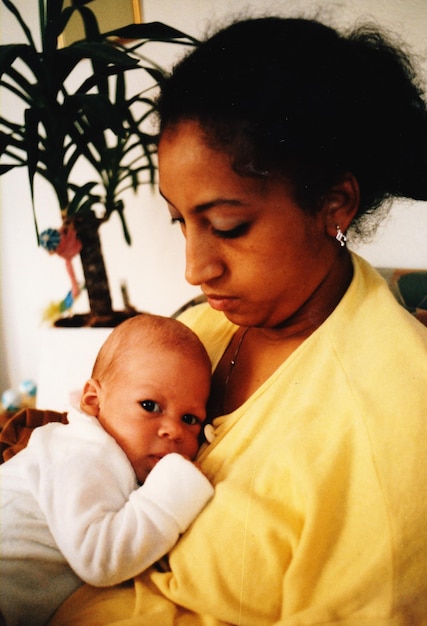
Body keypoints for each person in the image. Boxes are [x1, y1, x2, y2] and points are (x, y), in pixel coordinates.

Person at [47, 15, 427, 626]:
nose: (194, 269)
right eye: (180, 221)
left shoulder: (394, 424)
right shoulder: (197, 332)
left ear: (335, 204)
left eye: (227, 226)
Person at [0, 314, 213, 626]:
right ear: (93, 400)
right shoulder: (84, 453)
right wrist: (172, 494)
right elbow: (100, 558)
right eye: (150, 406)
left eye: (190, 419)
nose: (173, 431)